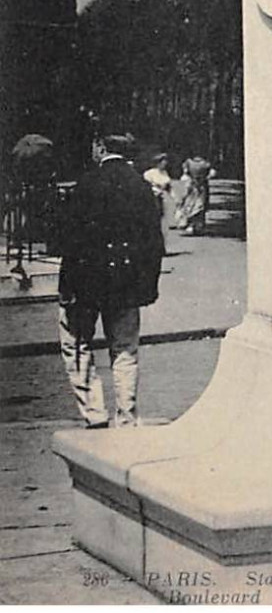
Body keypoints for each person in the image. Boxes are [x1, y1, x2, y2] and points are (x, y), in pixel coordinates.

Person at [58, 134, 164, 428]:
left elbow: (70, 240)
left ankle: (94, 413)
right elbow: (154, 242)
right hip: (126, 285)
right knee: (125, 348)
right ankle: (127, 416)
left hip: (85, 283)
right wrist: (147, 286)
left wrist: (67, 286)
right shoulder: (141, 187)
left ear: (101, 148)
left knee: (77, 345)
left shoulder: (86, 184)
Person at [175, 155, 212, 236]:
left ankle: (191, 225)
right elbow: (210, 173)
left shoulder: (188, 162)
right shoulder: (205, 163)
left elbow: (185, 173)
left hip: (192, 185)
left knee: (190, 204)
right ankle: (198, 225)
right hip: (201, 186)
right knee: (199, 205)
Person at [143, 153, 173, 253]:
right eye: (163, 161)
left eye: (166, 161)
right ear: (158, 163)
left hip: (164, 198)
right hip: (153, 198)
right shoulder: (149, 173)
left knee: (164, 223)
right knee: (154, 222)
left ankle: (162, 246)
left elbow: (169, 187)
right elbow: (147, 187)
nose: (165, 163)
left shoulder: (164, 173)